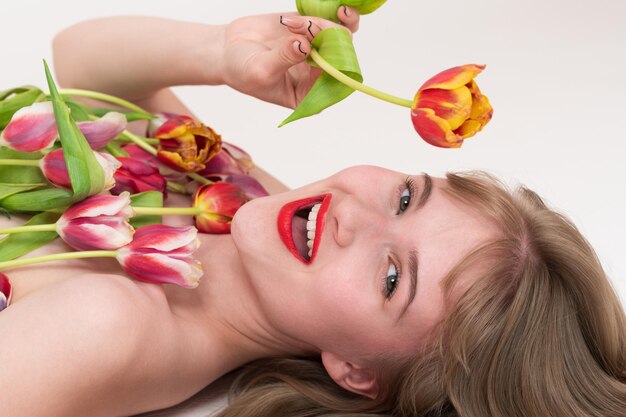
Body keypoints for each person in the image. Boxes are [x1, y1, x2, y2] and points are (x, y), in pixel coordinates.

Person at [0, 8, 624, 417]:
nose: (355, 218)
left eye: (391, 279)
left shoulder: (113, 326)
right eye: (407, 198)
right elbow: (79, 68)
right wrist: (219, 55)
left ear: (356, 371)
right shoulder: (250, 202)